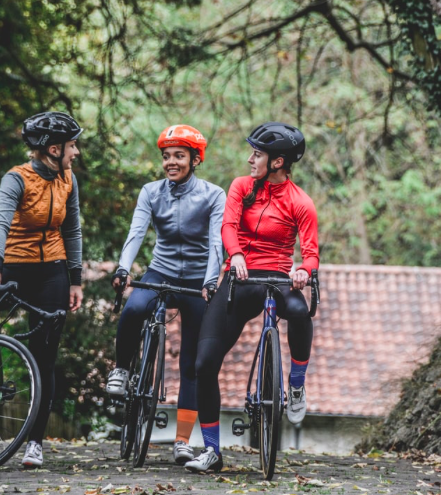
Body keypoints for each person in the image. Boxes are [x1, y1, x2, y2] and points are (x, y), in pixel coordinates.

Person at [185, 121, 319, 472]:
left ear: (277, 162)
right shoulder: (241, 187)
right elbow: (228, 226)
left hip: (276, 277)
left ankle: (297, 384)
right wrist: (238, 254)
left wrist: (304, 270)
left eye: (257, 154)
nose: (250, 159)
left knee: (301, 314)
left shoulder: (300, 202)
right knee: (204, 363)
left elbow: (311, 251)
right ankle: (212, 451)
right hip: (239, 275)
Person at [106, 124, 226, 465]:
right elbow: (136, 232)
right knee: (133, 308)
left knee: (191, 363)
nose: (170, 162)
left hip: (197, 281)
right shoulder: (151, 192)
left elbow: (217, 243)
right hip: (160, 271)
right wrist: (123, 268)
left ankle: (182, 442)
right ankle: (121, 370)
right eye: (166, 156)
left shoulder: (213, 195)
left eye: (179, 156)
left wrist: (210, 281)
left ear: (194, 159)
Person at [0, 111, 84, 467]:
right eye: (71, 145)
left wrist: (75, 279)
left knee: (45, 355)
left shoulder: (68, 179)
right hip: (12, 267)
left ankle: (35, 443)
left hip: (52, 270)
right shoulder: (15, 179)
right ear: (53, 148)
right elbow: (1, 221)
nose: (75, 152)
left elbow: (73, 230)